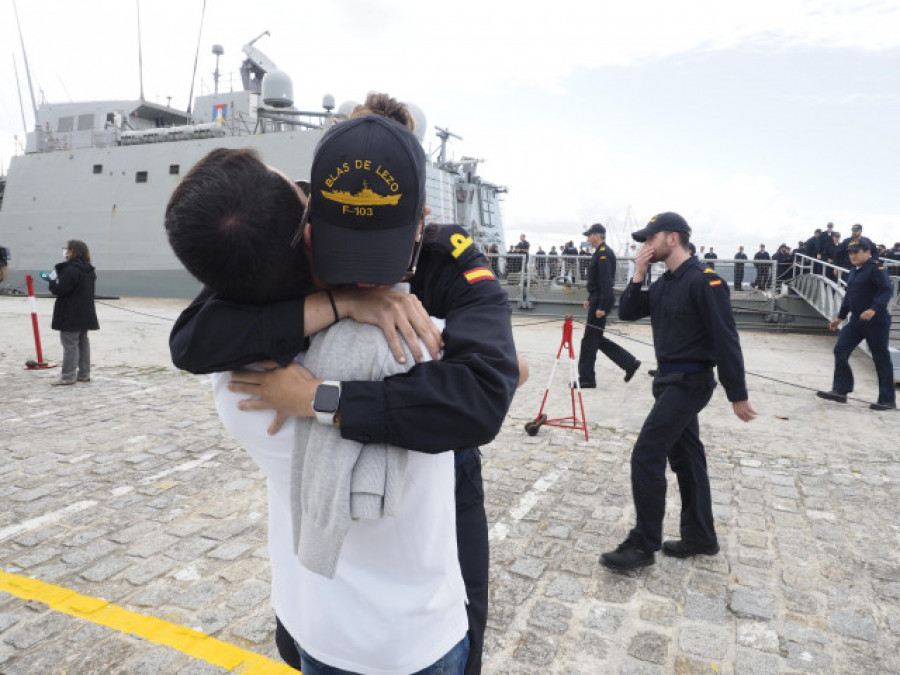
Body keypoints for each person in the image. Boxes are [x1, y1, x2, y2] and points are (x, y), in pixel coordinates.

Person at [168, 97, 518, 675]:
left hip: (443, 458)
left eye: (380, 252)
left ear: (421, 222)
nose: (364, 273)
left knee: (465, 594)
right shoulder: (293, 252)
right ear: (307, 220)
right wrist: (341, 303)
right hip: (381, 620)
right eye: (340, 249)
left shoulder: (449, 255)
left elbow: (482, 397)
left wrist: (320, 399)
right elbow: (191, 340)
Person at [600, 212, 757, 572]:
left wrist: (738, 393)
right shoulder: (665, 282)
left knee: (646, 454)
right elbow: (627, 311)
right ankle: (701, 536)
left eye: (649, 240)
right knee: (687, 459)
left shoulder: (705, 281)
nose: (644, 246)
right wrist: (638, 274)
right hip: (667, 382)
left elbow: (726, 338)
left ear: (672, 238)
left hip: (690, 382)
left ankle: (642, 545)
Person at [816, 237, 895, 411]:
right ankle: (840, 390)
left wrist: (874, 309)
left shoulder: (876, 268)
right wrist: (840, 317)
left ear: (867, 252)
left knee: (881, 358)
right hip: (856, 321)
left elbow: (886, 290)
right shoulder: (853, 271)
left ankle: (887, 400)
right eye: (850, 253)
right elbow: (850, 296)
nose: (852, 255)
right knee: (840, 350)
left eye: (856, 252)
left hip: (877, 321)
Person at [577, 223, 640, 389]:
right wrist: (591, 298)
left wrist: (602, 307)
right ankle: (629, 363)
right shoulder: (599, 253)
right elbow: (597, 282)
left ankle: (587, 379)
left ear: (597, 235)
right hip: (597, 300)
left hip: (601, 303)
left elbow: (606, 283)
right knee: (595, 339)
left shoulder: (604, 254)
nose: (588, 239)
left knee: (590, 340)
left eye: (589, 236)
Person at [44, 240, 99, 385]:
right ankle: (84, 374)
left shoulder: (70, 270)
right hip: (85, 313)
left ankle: (68, 376)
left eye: (67, 249)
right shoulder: (89, 270)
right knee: (83, 343)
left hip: (70, 313)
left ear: (73, 251)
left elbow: (60, 289)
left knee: (70, 344)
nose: (65, 252)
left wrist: (51, 280)